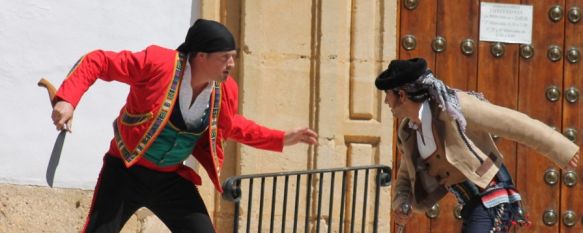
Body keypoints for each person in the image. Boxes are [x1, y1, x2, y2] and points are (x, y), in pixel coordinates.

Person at [50, 19, 318, 233]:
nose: (232, 64)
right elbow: (100, 61)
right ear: (201, 56)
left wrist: (281, 138)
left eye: (233, 57)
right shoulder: (158, 64)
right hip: (125, 173)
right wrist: (68, 100)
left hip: (171, 180)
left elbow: (231, 126)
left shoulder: (225, 91)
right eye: (225, 57)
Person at [375, 58, 580, 233]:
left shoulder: (453, 108)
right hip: (472, 206)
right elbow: (406, 173)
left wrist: (562, 149)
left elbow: (514, 123)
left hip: (493, 198)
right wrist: (402, 202)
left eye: (388, 95)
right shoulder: (407, 130)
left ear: (401, 95)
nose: (386, 102)